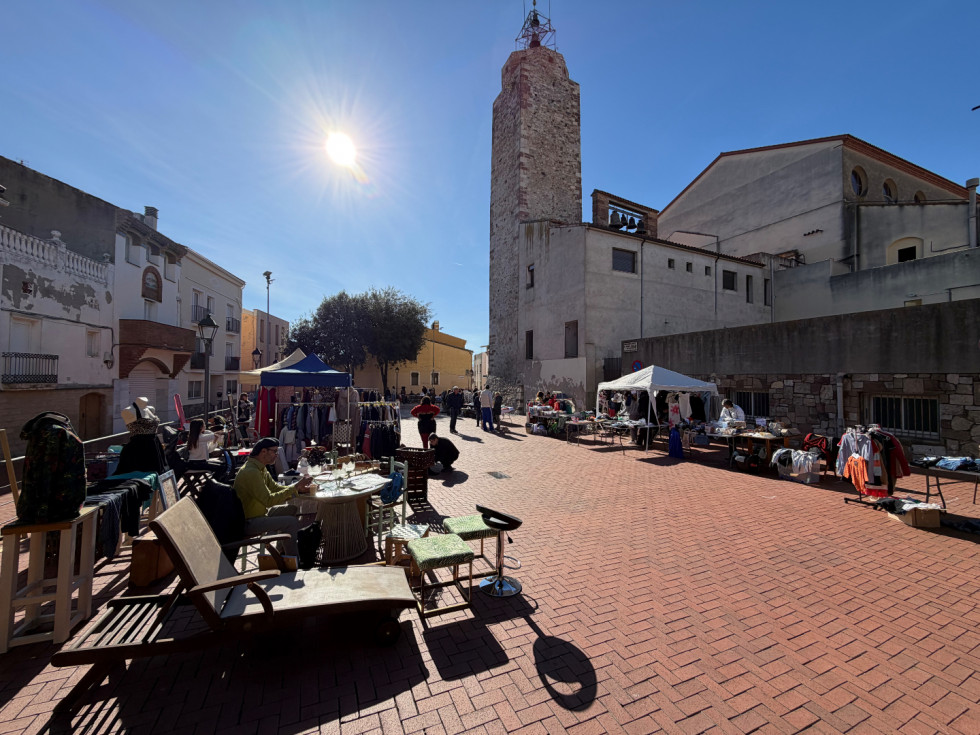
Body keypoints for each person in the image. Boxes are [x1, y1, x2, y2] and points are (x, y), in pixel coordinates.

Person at [233, 438, 312, 557]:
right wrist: (295, 488)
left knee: (291, 509)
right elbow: (269, 500)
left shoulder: (260, 468)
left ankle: (282, 552)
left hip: (260, 514)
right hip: (249, 521)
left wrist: (298, 490)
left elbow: (276, 488)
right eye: (275, 452)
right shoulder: (251, 471)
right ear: (263, 452)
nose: (277, 455)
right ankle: (293, 560)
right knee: (290, 522)